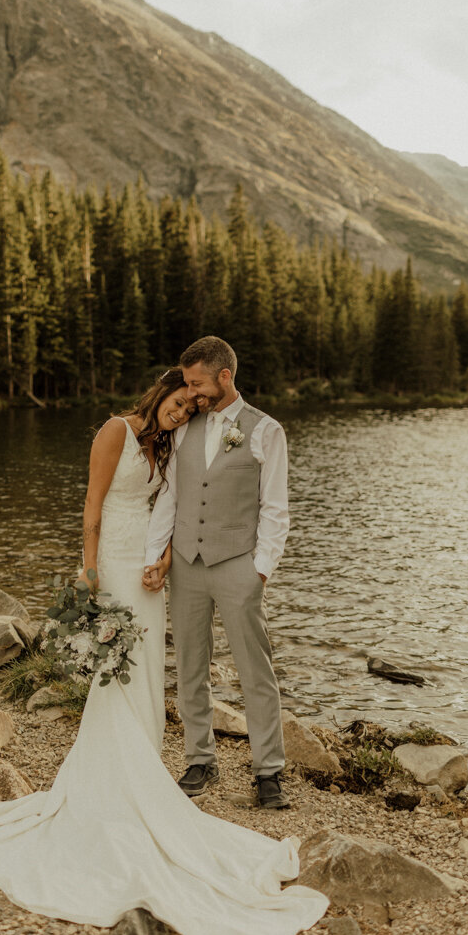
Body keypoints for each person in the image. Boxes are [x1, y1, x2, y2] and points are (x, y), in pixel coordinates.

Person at [0, 367, 327, 935]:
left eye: (189, 403)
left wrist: (171, 558)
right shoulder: (116, 432)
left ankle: (210, 769)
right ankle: (133, 776)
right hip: (113, 566)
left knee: (150, 670)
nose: (183, 410)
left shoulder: (187, 440)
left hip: (153, 573)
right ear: (161, 395)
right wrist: (89, 569)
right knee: (123, 671)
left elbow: (177, 505)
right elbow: (93, 503)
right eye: (178, 400)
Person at [143, 336, 290, 808]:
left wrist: (260, 572)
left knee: (255, 670)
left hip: (237, 566)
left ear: (225, 377)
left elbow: (275, 509)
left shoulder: (266, 431)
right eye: (188, 385)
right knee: (189, 665)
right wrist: (156, 554)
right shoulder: (187, 427)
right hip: (186, 563)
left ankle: (268, 771)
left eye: (198, 384)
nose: (192, 394)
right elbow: (171, 495)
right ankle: (199, 758)